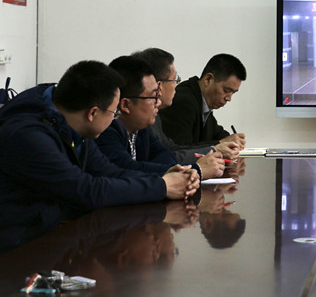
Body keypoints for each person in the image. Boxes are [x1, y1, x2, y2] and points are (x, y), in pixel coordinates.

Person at [0, 61, 198, 247]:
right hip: (16, 247)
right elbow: (86, 190)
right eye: (114, 113)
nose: (115, 119)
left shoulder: (71, 123)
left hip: (46, 234)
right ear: (93, 113)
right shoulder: (28, 136)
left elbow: (108, 171)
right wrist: (162, 186)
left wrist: (166, 177)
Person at [97, 56, 221, 180]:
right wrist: (197, 170)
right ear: (125, 105)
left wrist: (172, 171)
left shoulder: (141, 128)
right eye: (153, 97)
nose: (159, 103)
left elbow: (166, 155)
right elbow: (128, 170)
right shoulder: (105, 131)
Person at [131, 48, 239, 168]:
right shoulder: (183, 101)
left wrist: (218, 147)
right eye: (175, 80)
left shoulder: (154, 116)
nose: (176, 86)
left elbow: (170, 151)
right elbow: (160, 160)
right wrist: (213, 152)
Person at [160, 53, 247, 147]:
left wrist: (233, 140)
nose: (229, 98)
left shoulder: (202, 102)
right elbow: (180, 149)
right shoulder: (183, 101)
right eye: (226, 90)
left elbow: (217, 134)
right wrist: (221, 143)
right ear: (208, 79)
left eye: (233, 93)